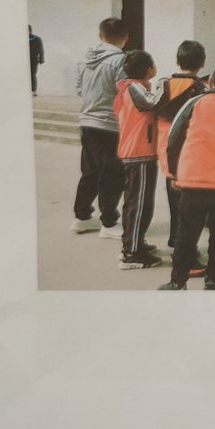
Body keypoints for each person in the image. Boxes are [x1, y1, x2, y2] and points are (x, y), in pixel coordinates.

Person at [158, 66, 215, 291]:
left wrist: (174, 172)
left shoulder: (196, 102)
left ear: (211, 82)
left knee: (186, 232)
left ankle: (178, 281)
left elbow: (174, 136)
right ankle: (213, 277)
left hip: (193, 177)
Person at [154, 40, 209, 275]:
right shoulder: (202, 89)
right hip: (190, 158)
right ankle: (185, 259)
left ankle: (177, 245)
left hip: (167, 156)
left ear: (178, 61)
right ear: (202, 63)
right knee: (192, 211)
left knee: (176, 207)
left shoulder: (164, 84)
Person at [70, 17, 128, 238]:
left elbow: (79, 89)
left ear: (99, 35)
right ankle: (109, 223)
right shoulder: (120, 61)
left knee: (90, 171)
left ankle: (82, 218)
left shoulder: (84, 60)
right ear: (125, 38)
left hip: (87, 122)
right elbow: (126, 92)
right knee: (112, 175)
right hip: (109, 125)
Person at [113, 50, 163, 270]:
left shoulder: (133, 87)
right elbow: (154, 103)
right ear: (148, 69)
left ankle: (135, 242)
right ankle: (131, 253)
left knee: (139, 203)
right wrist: (165, 85)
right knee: (138, 204)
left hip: (140, 152)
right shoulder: (135, 87)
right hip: (138, 153)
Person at [28, 24, 44, 95]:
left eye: (28, 31)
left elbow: (41, 50)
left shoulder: (37, 39)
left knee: (32, 74)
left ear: (30, 31)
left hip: (34, 60)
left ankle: (33, 90)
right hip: (24, 61)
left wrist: (41, 58)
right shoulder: (21, 39)